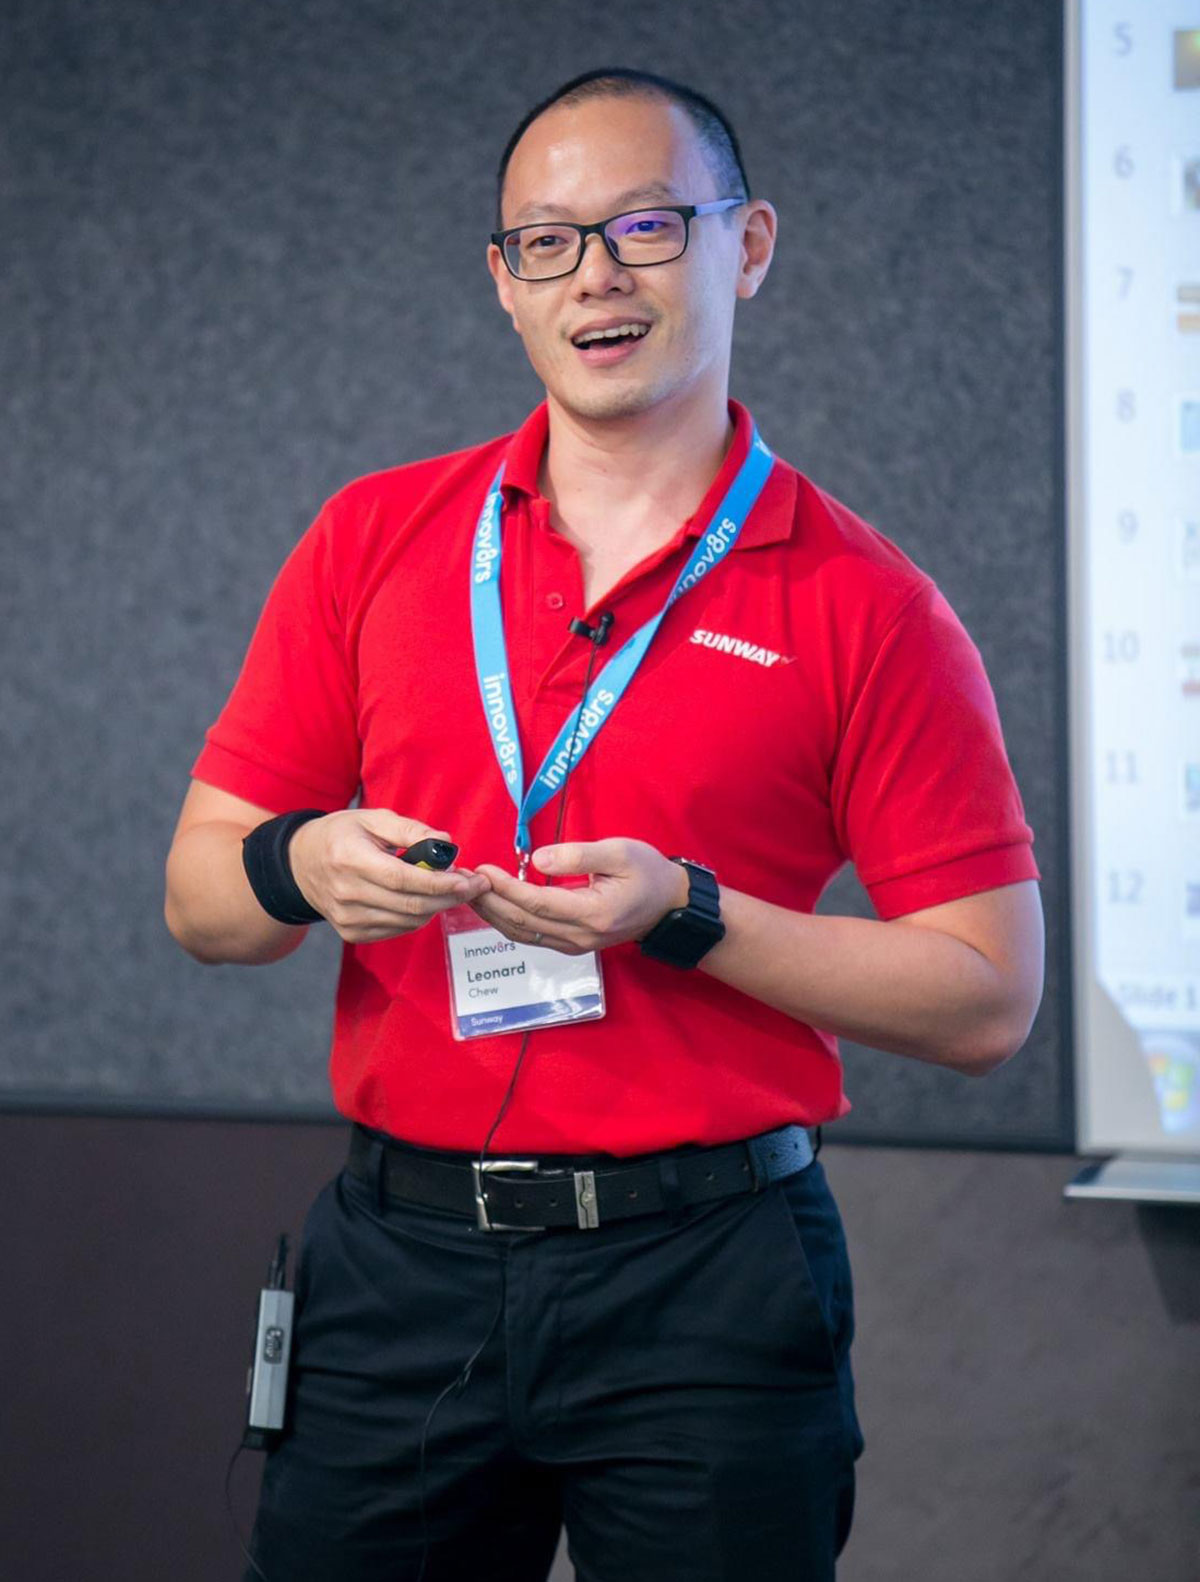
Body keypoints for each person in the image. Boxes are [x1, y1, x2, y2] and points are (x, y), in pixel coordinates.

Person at [165, 66, 1044, 1582]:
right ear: (503, 281)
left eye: (646, 227)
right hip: (402, 1265)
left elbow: (988, 997)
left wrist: (688, 911)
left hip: (707, 1278)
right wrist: (299, 862)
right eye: (549, 243)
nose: (598, 278)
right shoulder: (374, 538)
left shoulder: (866, 603)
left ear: (748, 244)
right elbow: (203, 900)